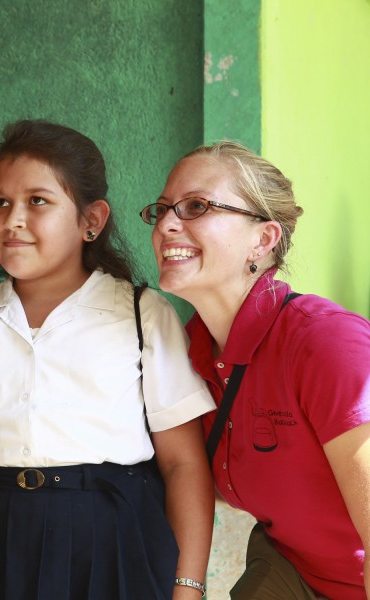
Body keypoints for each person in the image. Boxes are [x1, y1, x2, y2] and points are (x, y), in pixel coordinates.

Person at [0, 120, 215, 599]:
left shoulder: (139, 312)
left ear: (92, 220)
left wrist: (187, 588)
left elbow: (183, 466)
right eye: (0, 202)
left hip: (114, 542)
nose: (13, 219)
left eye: (37, 201)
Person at [140, 140, 370, 599]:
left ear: (263, 240)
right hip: (297, 574)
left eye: (196, 206)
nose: (167, 224)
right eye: (162, 209)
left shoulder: (323, 342)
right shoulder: (189, 353)